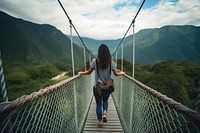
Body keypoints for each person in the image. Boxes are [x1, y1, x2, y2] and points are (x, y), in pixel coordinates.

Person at [78, 44, 125, 128]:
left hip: (97, 87)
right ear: (108, 53)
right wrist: (122, 73)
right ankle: (105, 114)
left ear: (99, 53)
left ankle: (100, 121)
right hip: (107, 87)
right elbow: (116, 74)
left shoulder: (94, 62)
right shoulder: (112, 63)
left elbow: (88, 73)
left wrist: (81, 72)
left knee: (98, 104)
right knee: (105, 101)